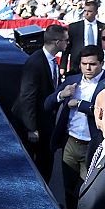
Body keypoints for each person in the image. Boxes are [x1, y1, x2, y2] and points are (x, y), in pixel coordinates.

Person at [45, 45, 105, 209]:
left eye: (93, 64)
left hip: (94, 144)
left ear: (101, 64)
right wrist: (61, 95)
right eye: (84, 64)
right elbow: (47, 104)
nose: (88, 68)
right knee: (69, 186)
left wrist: (79, 104)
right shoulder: (72, 80)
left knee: (88, 189)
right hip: (71, 143)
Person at [12, 24, 68, 183]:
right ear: (57, 42)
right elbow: (27, 97)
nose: (68, 43)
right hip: (34, 122)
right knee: (38, 163)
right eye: (66, 41)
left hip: (45, 120)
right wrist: (32, 128)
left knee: (46, 161)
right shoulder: (36, 63)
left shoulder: (50, 61)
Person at [61, 0, 105, 72]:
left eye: (89, 11)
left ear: (96, 12)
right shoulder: (74, 27)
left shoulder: (103, 28)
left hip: (96, 63)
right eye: (85, 11)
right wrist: (63, 66)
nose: (86, 13)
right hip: (76, 65)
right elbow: (66, 48)